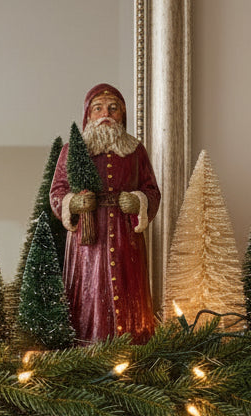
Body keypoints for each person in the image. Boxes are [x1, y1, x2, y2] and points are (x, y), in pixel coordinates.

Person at [50, 83, 160, 343]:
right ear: (88, 115)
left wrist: (138, 201)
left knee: (128, 285)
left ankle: (134, 344)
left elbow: (151, 190)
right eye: (98, 108)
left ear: (122, 114)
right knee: (90, 289)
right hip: (88, 240)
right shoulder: (72, 150)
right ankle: (88, 343)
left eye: (113, 108)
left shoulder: (135, 150)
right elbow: (57, 191)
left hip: (126, 237)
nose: (105, 114)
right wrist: (73, 204)